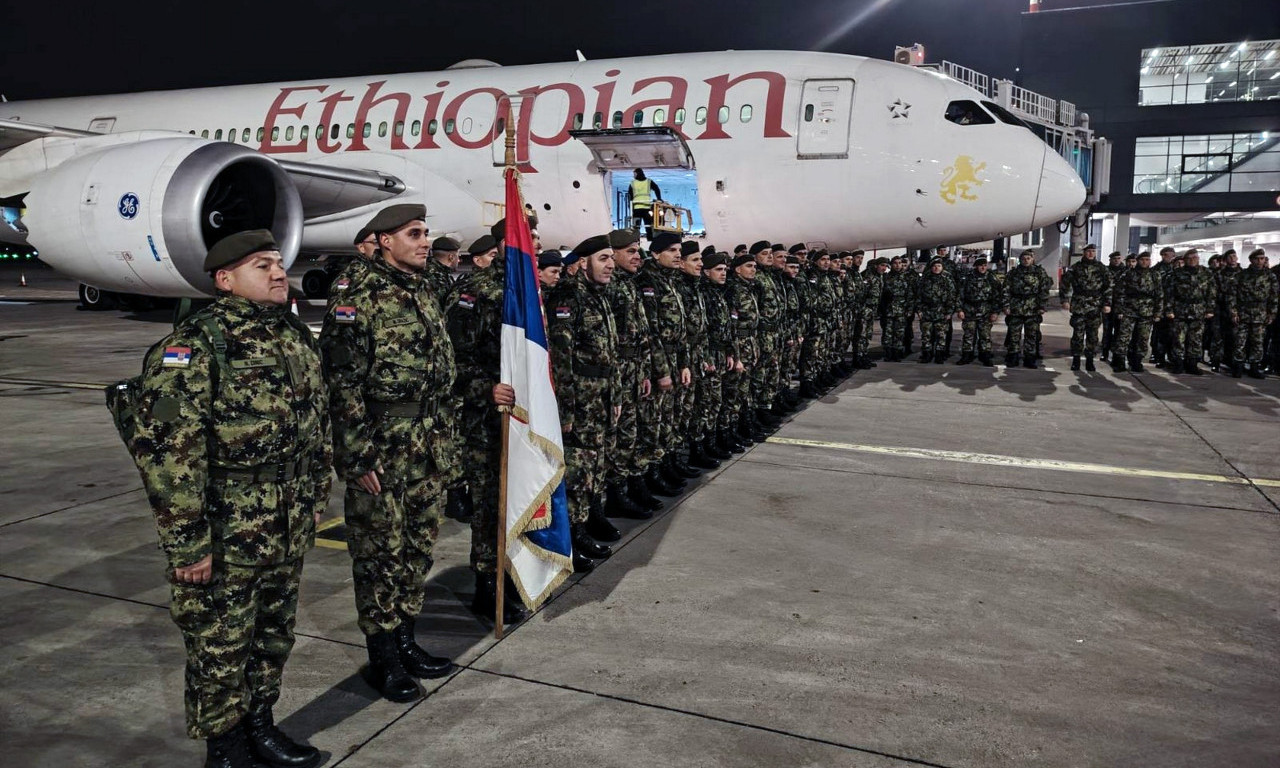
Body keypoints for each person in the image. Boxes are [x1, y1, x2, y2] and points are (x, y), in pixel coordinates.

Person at [130, 230, 330, 768]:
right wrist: (188, 544)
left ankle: (260, 725)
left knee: (272, 634)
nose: (277, 271)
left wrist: (315, 494)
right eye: (261, 265)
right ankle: (226, 748)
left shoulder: (293, 335)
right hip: (226, 526)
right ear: (225, 280)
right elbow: (169, 453)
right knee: (221, 644)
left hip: (284, 519)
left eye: (277, 262)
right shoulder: (191, 347)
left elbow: (318, 424)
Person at [319, 204, 458, 704]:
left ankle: (406, 641)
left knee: (417, 546)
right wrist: (356, 458)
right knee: (380, 554)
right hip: (383, 444)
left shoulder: (421, 288)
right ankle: (383, 659)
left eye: (426, 232)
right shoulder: (357, 295)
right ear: (382, 241)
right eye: (414, 233)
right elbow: (342, 382)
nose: (425, 241)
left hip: (427, 440)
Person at [442, 227, 529, 625]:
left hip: (522, 414)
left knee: (517, 498)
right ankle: (487, 583)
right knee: (489, 502)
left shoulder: (525, 289)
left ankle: (510, 573)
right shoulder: (477, 292)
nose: (535, 245)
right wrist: (485, 389)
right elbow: (452, 361)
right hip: (485, 419)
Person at [546, 236, 621, 572]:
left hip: (601, 395)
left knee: (594, 465)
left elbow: (610, 352)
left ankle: (587, 523)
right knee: (577, 471)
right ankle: (572, 537)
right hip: (580, 399)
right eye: (603, 258)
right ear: (585, 261)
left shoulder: (599, 296)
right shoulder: (569, 296)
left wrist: (615, 395)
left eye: (610, 258)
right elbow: (561, 356)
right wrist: (566, 408)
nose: (610, 264)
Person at [636, 232, 695, 488]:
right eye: (671, 250)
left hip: (674, 358)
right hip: (657, 362)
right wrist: (662, 371)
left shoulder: (670, 280)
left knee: (670, 417)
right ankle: (651, 475)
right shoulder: (648, 282)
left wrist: (683, 363)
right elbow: (652, 331)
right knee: (654, 421)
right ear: (656, 253)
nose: (677, 255)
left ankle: (667, 464)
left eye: (678, 250)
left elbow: (681, 330)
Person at [1059, 243, 1112, 371]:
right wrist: (1065, 299)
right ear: (1084, 253)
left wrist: (1107, 303)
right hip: (1079, 304)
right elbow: (1065, 283)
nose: (1091, 254)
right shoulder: (1076, 268)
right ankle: (1076, 359)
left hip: (1095, 304)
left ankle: (1089, 360)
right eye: (1088, 251)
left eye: (1093, 251)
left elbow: (1108, 286)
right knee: (1077, 334)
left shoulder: (1101, 268)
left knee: (1092, 335)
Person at [1162, 249, 1215, 375]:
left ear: (1198, 258)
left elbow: (1211, 293)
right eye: (1189, 258)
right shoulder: (1177, 274)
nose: (1192, 260)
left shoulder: (1206, 273)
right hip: (1180, 310)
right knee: (1178, 339)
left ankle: (1192, 364)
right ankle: (1178, 363)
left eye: (1195, 257)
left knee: (1195, 339)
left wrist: (1210, 309)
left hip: (1199, 310)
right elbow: (1169, 293)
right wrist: (1169, 309)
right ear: (1184, 260)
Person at [1229, 248, 1279, 379]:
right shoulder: (1241, 275)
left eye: (1262, 258)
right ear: (1251, 260)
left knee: (1257, 342)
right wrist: (1234, 312)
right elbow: (1232, 296)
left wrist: (1271, 314)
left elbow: (1274, 297)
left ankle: (1254, 367)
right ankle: (1238, 366)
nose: (1259, 261)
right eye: (1256, 259)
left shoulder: (1270, 276)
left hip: (1260, 313)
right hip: (1243, 312)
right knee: (1240, 341)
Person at [1111, 251, 1162, 373]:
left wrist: (1158, 312)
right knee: (1124, 337)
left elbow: (1159, 295)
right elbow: (1120, 293)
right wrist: (1120, 310)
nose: (1145, 262)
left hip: (1147, 311)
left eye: (1147, 260)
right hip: (1129, 310)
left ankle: (1137, 361)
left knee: (1143, 338)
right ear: (1138, 261)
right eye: (1142, 259)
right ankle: (1120, 361)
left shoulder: (1155, 275)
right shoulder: (1129, 274)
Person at [1003, 250, 1052, 369]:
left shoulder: (1039, 272)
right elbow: (1006, 289)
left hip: (1033, 307)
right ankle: (1013, 356)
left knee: (1031, 334)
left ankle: (1030, 358)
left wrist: (1042, 306)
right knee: (1014, 334)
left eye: (1028, 258)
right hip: (1016, 307)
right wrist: (1006, 305)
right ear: (1020, 259)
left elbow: (1044, 290)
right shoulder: (1013, 273)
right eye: (1024, 258)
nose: (1026, 260)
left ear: (1032, 259)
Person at [957, 256, 1004, 366]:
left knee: (985, 335)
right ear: (976, 266)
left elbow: (997, 295)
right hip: (969, 310)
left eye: (984, 265)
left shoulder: (991, 278)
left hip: (985, 310)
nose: (983, 267)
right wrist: (959, 309)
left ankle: (985, 356)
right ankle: (967, 355)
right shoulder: (967, 277)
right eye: (980, 265)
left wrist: (995, 312)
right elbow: (960, 295)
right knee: (969, 335)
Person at [915, 258, 960, 364]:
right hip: (927, 311)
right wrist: (919, 310)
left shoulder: (947, 279)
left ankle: (940, 355)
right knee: (926, 335)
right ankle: (927, 354)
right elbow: (918, 295)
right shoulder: (925, 279)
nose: (936, 268)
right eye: (934, 266)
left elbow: (952, 296)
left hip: (942, 311)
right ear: (931, 267)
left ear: (942, 267)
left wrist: (949, 312)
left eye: (939, 266)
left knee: (941, 335)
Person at [879, 257, 914, 362]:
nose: (898, 265)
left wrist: (910, 309)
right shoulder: (886, 277)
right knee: (888, 333)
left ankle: (897, 352)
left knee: (899, 333)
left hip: (901, 310)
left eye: (900, 263)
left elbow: (910, 295)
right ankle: (888, 353)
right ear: (891, 265)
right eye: (895, 263)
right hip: (889, 310)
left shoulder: (907, 278)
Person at [423, 236, 460, 309]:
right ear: (451, 257)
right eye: (458, 256)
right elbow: (449, 309)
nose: (458, 259)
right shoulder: (437, 278)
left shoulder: (438, 272)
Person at [627, 168, 661, 240]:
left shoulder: (633, 183)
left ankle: (636, 240)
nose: (633, 175)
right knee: (648, 225)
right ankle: (650, 240)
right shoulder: (649, 181)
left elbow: (630, 195)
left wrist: (630, 206)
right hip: (647, 208)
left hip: (636, 208)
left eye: (634, 174)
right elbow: (656, 188)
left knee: (636, 226)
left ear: (637, 173)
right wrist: (659, 198)